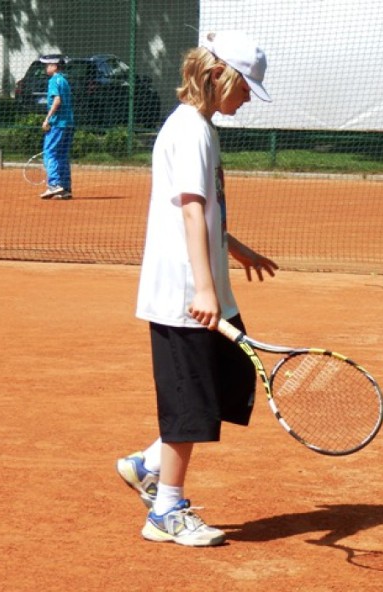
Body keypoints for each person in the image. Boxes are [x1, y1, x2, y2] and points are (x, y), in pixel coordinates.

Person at [116, 31, 278, 547]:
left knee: (227, 389)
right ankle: (166, 509)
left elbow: (202, 212)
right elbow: (189, 209)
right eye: (245, 86)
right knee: (191, 404)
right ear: (217, 76)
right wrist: (204, 290)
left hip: (207, 288)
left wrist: (233, 246)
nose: (248, 97)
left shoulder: (200, 127)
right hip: (186, 292)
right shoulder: (190, 130)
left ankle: (147, 463)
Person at [39, 54, 74, 200]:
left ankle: (53, 185)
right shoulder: (64, 80)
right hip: (69, 124)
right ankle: (65, 188)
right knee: (62, 155)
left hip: (57, 124)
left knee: (50, 153)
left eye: (48, 65)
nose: (46, 68)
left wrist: (47, 119)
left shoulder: (54, 80)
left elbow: (57, 100)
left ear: (54, 66)